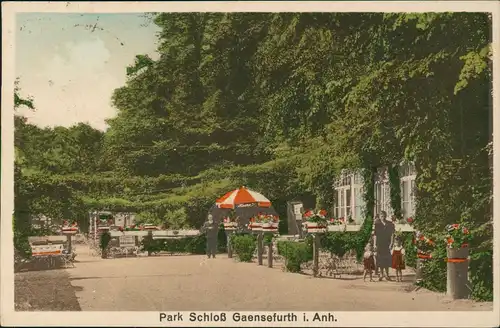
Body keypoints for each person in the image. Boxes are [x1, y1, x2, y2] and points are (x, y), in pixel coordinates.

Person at [374, 210, 395, 281]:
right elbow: (375, 235)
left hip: (387, 244)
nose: (382, 217)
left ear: (385, 216)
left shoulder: (390, 224)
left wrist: (391, 243)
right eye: (381, 216)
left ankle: (387, 275)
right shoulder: (377, 224)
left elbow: (392, 234)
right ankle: (381, 275)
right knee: (380, 260)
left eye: (383, 216)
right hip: (379, 244)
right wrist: (374, 244)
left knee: (386, 259)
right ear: (379, 217)